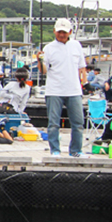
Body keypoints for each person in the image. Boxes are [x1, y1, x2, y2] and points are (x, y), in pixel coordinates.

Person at [37, 18, 87, 157]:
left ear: (70, 32)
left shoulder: (76, 45)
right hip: (54, 90)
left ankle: (76, 150)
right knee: (53, 123)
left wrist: (84, 82)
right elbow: (44, 71)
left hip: (74, 90)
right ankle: (55, 150)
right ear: (54, 31)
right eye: (59, 31)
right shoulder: (48, 48)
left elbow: (81, 67)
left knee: (78, 123)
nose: (62, 34)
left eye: (64, 32)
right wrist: (39, 60)